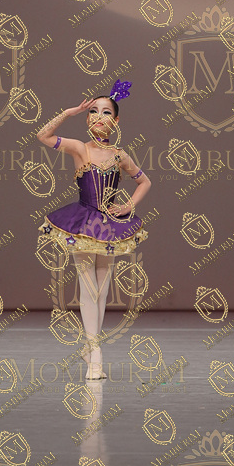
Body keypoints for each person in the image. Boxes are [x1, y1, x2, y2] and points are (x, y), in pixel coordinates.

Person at [36, 80, 152, 380]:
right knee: (88, 288)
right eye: (94, 111)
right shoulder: (80, 148)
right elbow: (43, 135)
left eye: (106, 112)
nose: (99, 117)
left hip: (110, 225)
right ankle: (96, 354)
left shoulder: (119, 155)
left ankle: (91, 347)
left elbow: (144, 181)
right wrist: (68, 112)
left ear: (116, 121)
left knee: (102, 289)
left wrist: (128, 206)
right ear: (87, 118)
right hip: (83, 223)